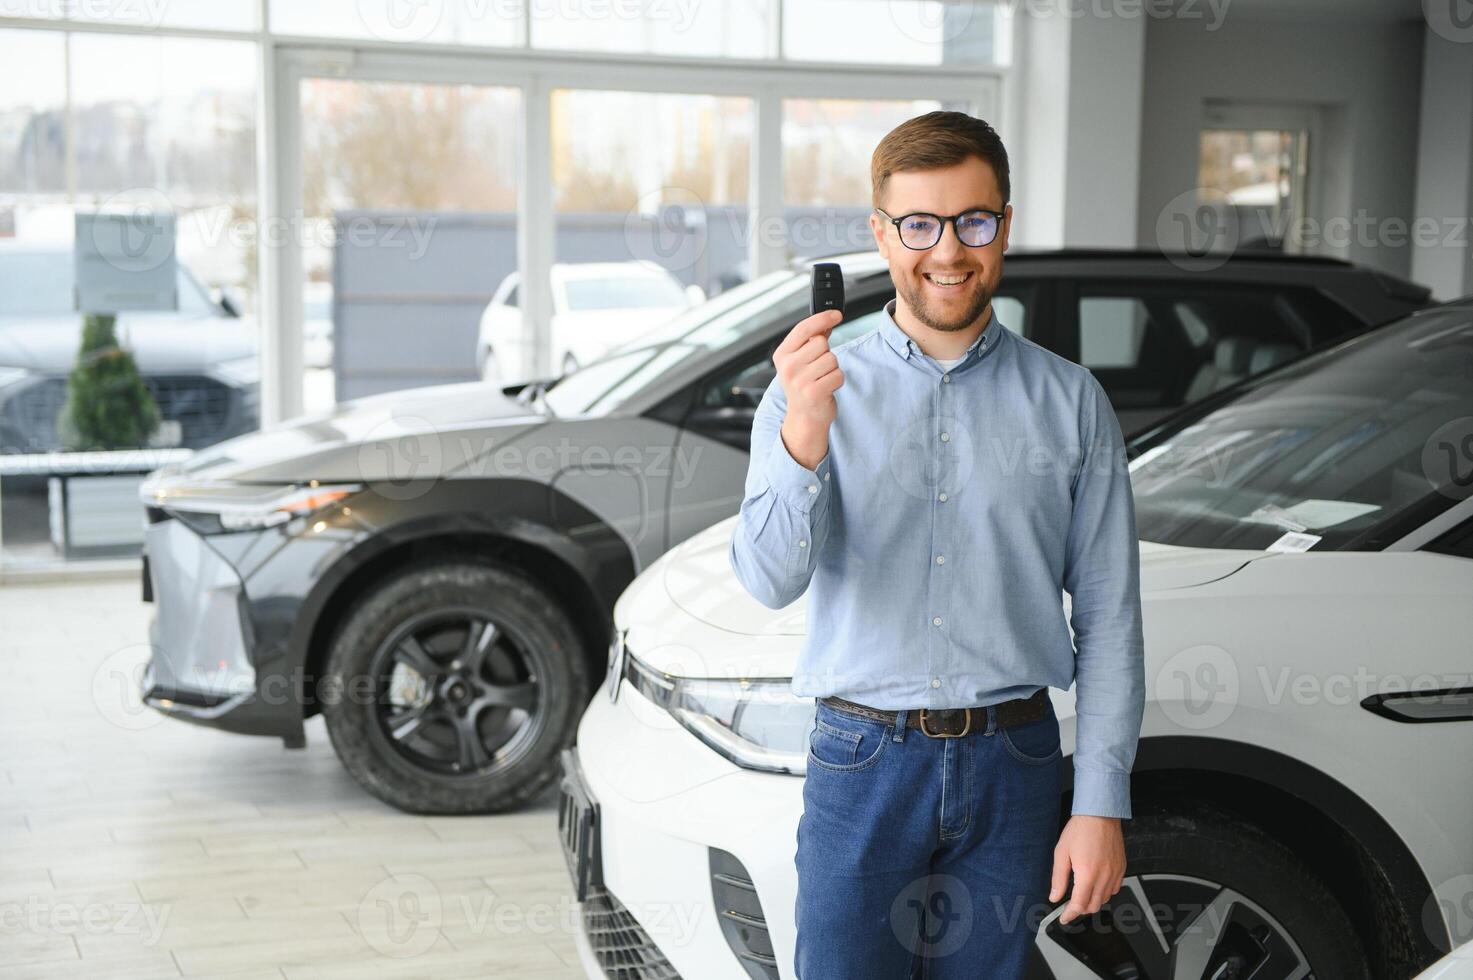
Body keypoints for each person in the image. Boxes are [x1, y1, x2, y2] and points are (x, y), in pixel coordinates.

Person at [728, 110, 1146, 979]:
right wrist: (804, 435)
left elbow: (1109, 619)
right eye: (918, 224)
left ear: (1003, 227)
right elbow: (768, 580)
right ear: (882, 234)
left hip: (1015, 764)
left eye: (972, 221)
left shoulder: (1070, 403)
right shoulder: (809, 389)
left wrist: (1101, 803)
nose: (947, 251)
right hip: (861, 766)